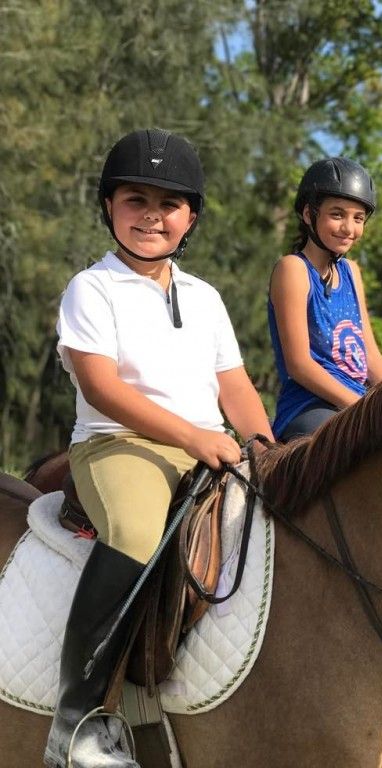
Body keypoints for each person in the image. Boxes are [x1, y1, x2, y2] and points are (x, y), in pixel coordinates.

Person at [44, 128, 273, 768]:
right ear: (109, 207)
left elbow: (236, 388)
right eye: (135, 199)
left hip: (209, 447)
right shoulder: (92, 289)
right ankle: (79, 720)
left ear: (190, 217)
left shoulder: (205, 298)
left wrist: (265, 449)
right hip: (118, 446)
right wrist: (197, 438)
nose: (152, 215)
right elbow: (104, 389)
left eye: (169, 203)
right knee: (140, 533)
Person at [268, 157, 382, 441]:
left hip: (357, 402)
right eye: (337, 214)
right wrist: (361, 408)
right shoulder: (294, 269)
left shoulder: (351, 272)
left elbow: (369, 355)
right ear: (309, 215)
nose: (349, 228)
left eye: (358, 218)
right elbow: (299, 365)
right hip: (310, 407)